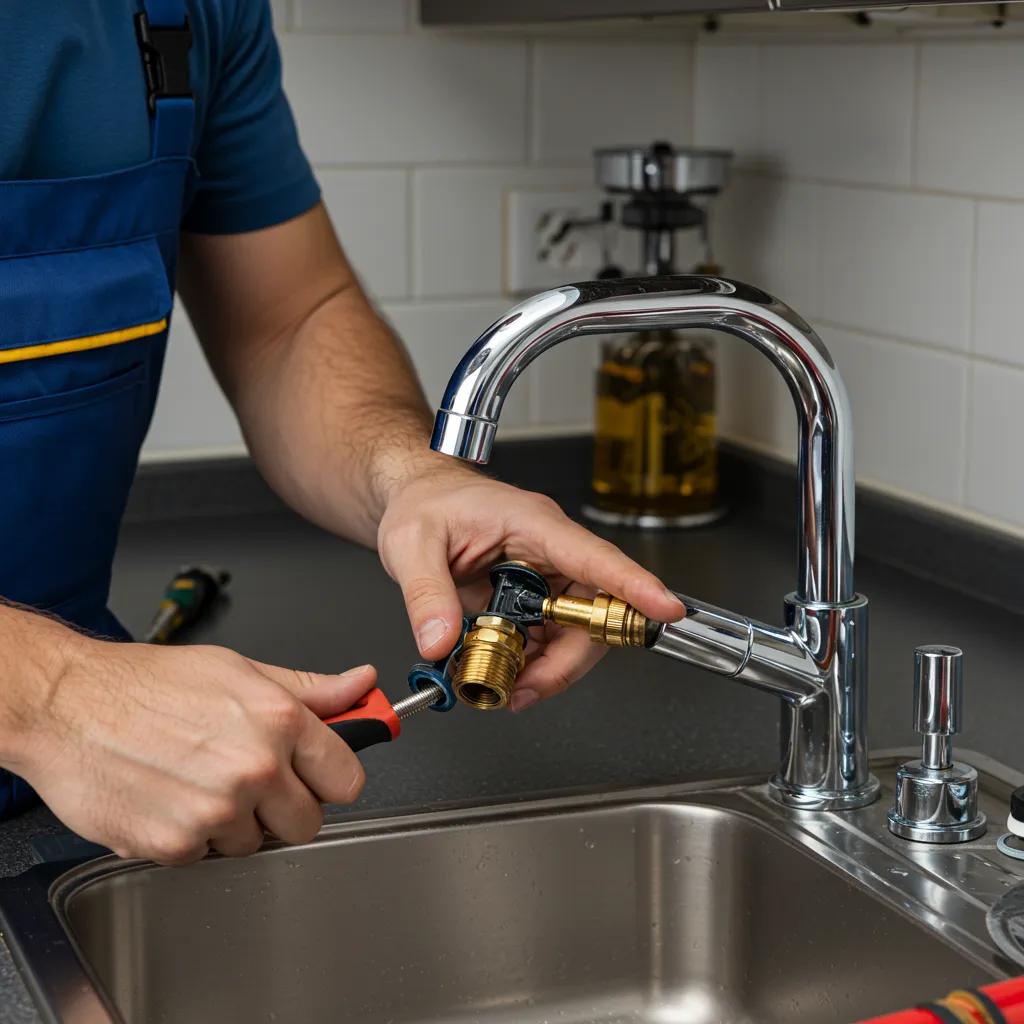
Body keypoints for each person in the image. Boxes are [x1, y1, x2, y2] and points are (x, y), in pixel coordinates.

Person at [0, 0, 683, 865]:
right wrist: (49, 693)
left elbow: (290, 322)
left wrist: (411, 478)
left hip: (70, 796)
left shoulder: (188, 13)